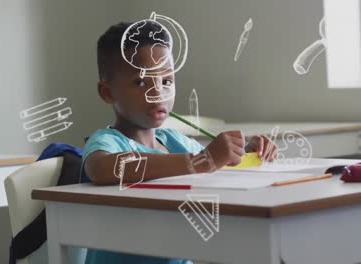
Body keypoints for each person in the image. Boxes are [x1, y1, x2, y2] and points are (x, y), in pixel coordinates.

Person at [81, 21, 277, 264]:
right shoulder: (108, 141)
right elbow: (100, 169)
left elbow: (213, 164)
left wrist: (245, 150)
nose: (158, 92)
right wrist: (201, 161)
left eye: (167, 81)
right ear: (108, 93)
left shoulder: (174, 142)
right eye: (141, 82)